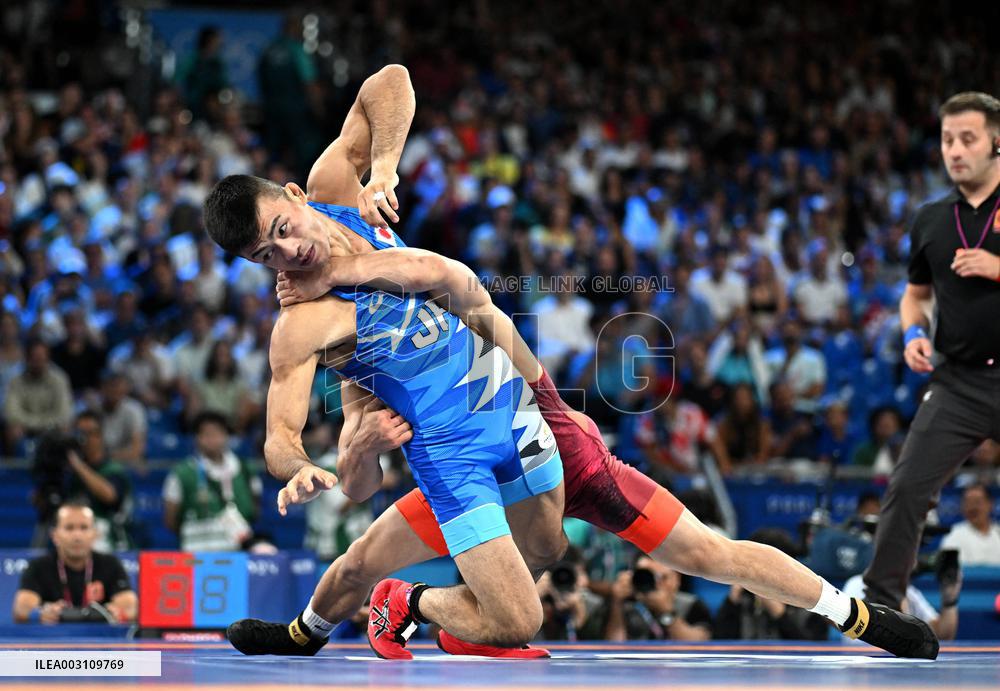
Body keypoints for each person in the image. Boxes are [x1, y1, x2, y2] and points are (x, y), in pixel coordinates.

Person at [226, 246, 937, 661]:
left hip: (569, 467)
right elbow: (355, 479)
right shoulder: (366, 374)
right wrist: (361, 446)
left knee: (711, 552)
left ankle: (857, 614)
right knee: (360, 560)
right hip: (469, 480)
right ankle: (306, 631)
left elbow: (447, 281)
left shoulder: (437, 312)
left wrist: (861, 617)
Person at [203, 65, 569, 658]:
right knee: (515, 620)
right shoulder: (303, 322)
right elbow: (280, 435)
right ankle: (406, 602)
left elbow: (390, 80)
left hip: (499, 396)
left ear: (296, 195)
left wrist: (382, 169)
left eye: (283, 229)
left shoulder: (338, 189)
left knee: (551, 549)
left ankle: (312, 629)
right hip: (448, 448)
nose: (291, 253)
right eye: (266, 254)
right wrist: (297, 465)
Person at [863, 92, 1000, 609]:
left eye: (968, 138)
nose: (956, 150)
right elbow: (915, 297)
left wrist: (997, 268)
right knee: (906, 491)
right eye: (947, 140)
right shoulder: (931, 219)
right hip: (958, 382)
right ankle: (880, 608)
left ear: (996, 142)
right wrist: (914, 334)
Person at [12, 504, 136, 624]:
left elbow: (131, 608)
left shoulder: (110, 564)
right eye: (69, 528)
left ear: (95, 534)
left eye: (84, 528)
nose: (77, 536)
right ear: (55, 535)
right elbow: (21, 609)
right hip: (55, 639)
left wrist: (117, 612)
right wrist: (41, 613)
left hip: (101, 639)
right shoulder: (38, 566)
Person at [162, 412, 261, 552]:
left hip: (237, 553)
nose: (213, 439)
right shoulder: (181, 473)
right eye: (207, 435)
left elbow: (255, 508)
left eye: (218, 433)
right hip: (195, 553)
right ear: (197, 438)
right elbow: (170, 520)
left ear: (226, 436)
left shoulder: (245, 469)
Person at [66, 410, 133, 551]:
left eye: (89, 433)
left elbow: (109, 495)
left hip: (108, 540)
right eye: (80, 434)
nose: (84, 439)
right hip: (74, 538)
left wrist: (79, 466)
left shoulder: (113, 470)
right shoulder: (69, 471)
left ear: (100, 436)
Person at [940, 483, 1000, 566]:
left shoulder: (998, 532)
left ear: (990, 504)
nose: (972, 507)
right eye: (967, 502)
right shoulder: (954, 534)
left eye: (977, 502)